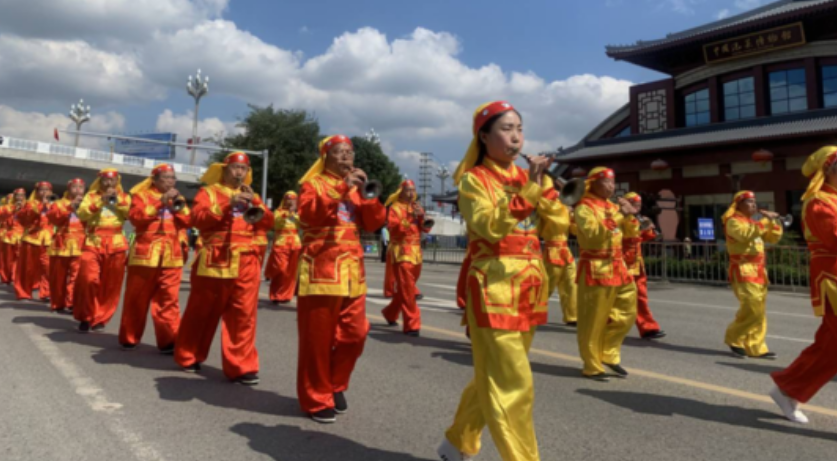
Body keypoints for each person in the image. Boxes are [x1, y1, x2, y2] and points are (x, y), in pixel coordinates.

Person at [438, 101, 556, 461]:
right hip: (494, 287)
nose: (516, 137)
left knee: (494, 375)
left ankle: (457, 440)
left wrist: (549, 194)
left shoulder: (528, 178)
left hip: (530, 286)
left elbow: (560, 226)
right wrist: (532, 191)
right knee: (513, 382)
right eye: (506, 129)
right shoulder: (473, 180)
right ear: (484, 137)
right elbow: (489, 226)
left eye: (519, 128)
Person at [296, 134, 386, 424]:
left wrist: (369, 197)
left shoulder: (357, 188)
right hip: (321, 268)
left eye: (350, 151)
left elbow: (374, 223)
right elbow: (308, 215)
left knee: (355, 334)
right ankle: (316, 397)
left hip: (352, 272)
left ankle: (334, 385)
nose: (347, 156)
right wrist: (341, 188)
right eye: (340, 152)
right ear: (326, 157)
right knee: (317, 340)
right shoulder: (313, 184)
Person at [174, 152, 270, 385]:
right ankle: (189, 354)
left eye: (243, 169)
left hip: (246, 259)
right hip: (216, 258)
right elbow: (197, 219)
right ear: (224, 170)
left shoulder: (252, 195)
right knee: (203, 311)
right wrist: (228, 204)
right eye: (235, 168)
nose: (239, 172)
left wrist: (257, 203)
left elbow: (268, 223)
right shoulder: (208, 192)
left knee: (244, 315)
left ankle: (241, 366)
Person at [771, 146, 837, 424]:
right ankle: (788, 389)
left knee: (830, 345)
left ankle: (788, 389)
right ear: (829, 170)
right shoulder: (818, 201)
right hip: (833, 276)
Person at [118, 164, 191, 353]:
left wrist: (178, 207)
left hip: (171, 255)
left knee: (169, 299)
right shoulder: (141, 196)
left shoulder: (179, 198)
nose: (171, 181)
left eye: (173, 178)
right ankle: (130, 337)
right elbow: (135, 218)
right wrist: (160, 203)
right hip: (145, 254)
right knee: (137, 297)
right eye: (166, 178)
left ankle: (169, 340)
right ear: (155, 180)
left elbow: (188, 221)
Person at [574, 168, 638, 382]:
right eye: (607, 182)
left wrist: (630, 216)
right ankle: (592, 364)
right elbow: (593, 235)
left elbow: (629, 234)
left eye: (613, 182)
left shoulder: (613, 206)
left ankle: (609, 353)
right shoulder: (583, 207)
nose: (612, 186)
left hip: (618, 265)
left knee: (627, 312)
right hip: (596, 266)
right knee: (593, 320)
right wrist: (620, 215)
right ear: (593, 183)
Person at [722, 190, 782, 359]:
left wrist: (774, 222)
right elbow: (745, 235)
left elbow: (772, 238)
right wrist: (765, 220)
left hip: (759, 270)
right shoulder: (733, 222)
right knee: (752, 307)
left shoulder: (753, 222)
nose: (754, 205)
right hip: (743, 269)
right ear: (738, 205)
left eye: (754, 202)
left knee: (760, 311)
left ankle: (756, 347)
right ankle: (734, 338)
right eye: (749, 202)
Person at [74, 168, 132, 332]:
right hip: (93, 241)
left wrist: (117, 201)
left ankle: (101, 317)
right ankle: (85, 315)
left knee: (111, 284)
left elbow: (132, 214)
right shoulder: (91, 196)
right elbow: (82, 214)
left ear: (117, 181)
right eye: (105, 180)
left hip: (116, 243)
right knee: (88, 278)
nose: (109, 183)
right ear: (100, 181)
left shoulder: (125, 196)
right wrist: (101, 201)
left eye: (112, 180)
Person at [381, 179, 430, 336]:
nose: (411, 193)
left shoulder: (415, 207)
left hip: (416, 252)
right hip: (402, 252)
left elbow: (425, 229)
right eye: (408, 190)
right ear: (400, 192)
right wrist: (409, 217)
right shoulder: (394, 208)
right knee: (408, 289)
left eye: (413, 190)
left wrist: (422, 217)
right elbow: (394, 228)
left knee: (405, 288)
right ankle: (412, 324)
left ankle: (390, 313)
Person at [622, 192, 666, 339]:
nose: (637, 208)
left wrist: (649, 230)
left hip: (636, 262)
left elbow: (641, 239)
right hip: (622, 263)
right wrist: (639, 227)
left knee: (641, 296)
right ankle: (606, 326)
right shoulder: (619, 218)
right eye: (634, 205)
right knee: (619, 298)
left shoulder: (638, 218)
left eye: (639, 205)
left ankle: (648, 327)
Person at [538, 184, 578, 326]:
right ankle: (533, 311)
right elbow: (551, 214)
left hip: (565, 249)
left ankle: (572, 316)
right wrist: (564, 210)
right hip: (552, 249)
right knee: (548, 284)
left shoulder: (564, 208)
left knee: (570, 283)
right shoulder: (547, 206)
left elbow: (574, 231)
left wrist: (575, 216)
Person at [46, 178, 86, 313]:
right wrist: (70, 207)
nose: (78, 190)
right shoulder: (59, 203)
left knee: (77, 276)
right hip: (61, 242)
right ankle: (58, 303)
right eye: (75, 187)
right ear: (68, 189)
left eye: (81, 187)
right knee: (58, 276)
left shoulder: (88, 203)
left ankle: (72, 302)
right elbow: (53, 218)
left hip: (81, 243)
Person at [15, 182, 55, 301]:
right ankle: (23, 292)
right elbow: (25, 219)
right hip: (31, 239)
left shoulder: (54, 204)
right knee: (27, 268)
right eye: (42, 190)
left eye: (47, 190)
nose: (44, 192)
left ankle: (46, 292)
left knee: (48, 267)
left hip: (48, 240)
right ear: (37, 192)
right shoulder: (30, 204)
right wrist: (40, 206)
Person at [265, 191, 302, 304]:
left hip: (295, 244)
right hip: (281, 243)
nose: (290, 201)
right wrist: (288, 213)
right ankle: (276, 294)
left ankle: (286, 295)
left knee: (291, 272)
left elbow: (303, 224)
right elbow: (275, 224)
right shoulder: (278, 212)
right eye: (288, 199)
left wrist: (295, 212)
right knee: (280, 269)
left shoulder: (299, 212)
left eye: (293, 199)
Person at [0, 189, 26, 285]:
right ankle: (5, 276)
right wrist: (14, 209)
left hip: (21, 236)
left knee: (18, 258)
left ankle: (14, 277)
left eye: (22, 195)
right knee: (7, 259)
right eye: (18, 195)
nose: (19, 197)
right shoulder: (7, 207)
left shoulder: (27, 207)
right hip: (8, 236)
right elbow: (3, 217)